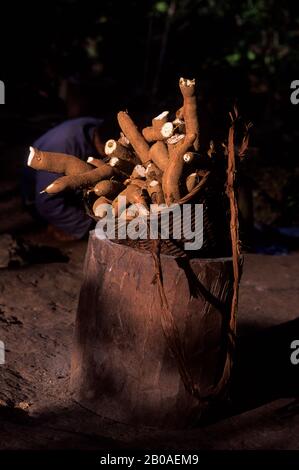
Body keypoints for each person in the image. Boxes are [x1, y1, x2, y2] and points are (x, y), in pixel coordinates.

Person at [23, 116, 110, 240]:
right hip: (38, 200)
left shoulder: (98, 125)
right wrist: (89, 225)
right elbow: (46, 203)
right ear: (103, 146)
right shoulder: (63, 147)